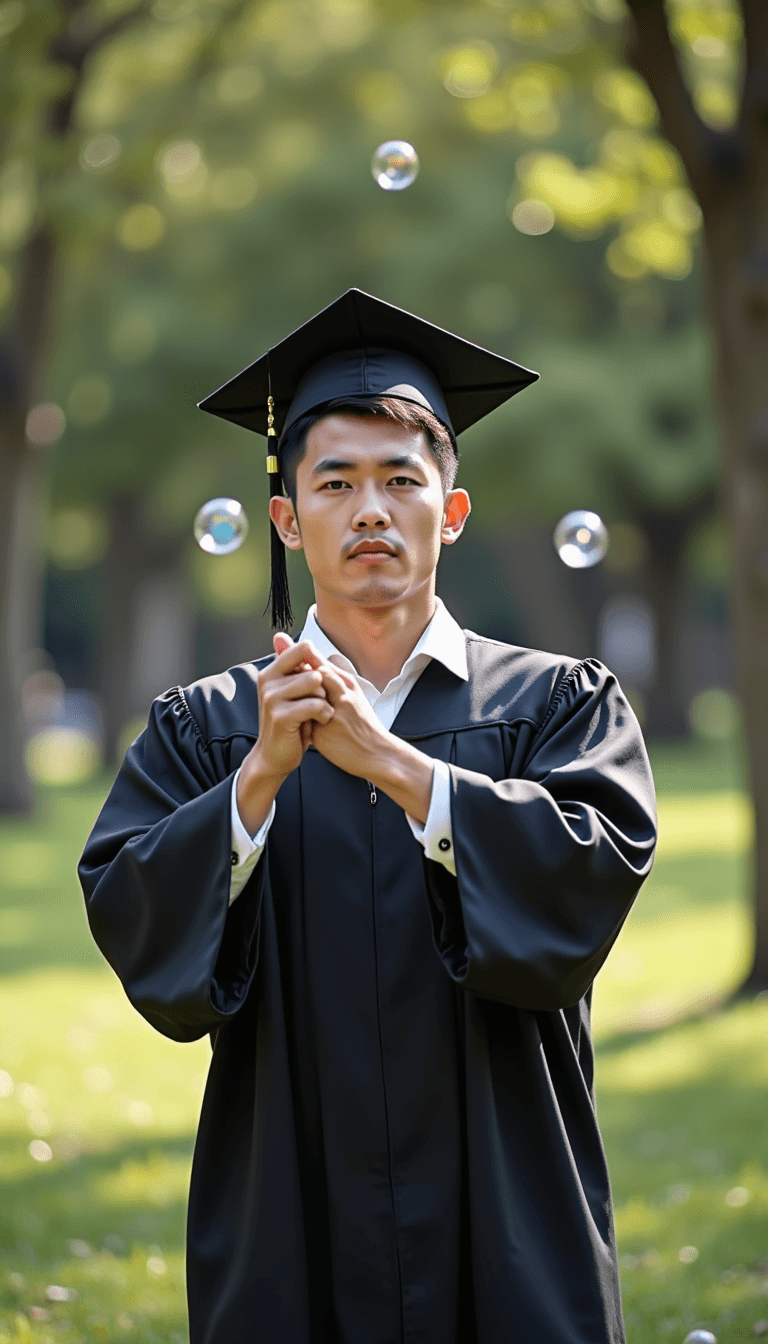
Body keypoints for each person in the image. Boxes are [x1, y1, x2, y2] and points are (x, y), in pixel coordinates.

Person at [79, 289, 657, 1344]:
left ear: (454, 509)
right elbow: (135, 917)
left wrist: (391, 766)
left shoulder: (556, 706)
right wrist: (254, 783)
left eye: (402, 480)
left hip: (507, 1205)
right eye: (335, 484)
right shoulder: (210, 732)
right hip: (288, 1214)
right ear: (288, 520)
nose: (372, 511)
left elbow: (586, 883)